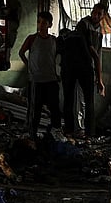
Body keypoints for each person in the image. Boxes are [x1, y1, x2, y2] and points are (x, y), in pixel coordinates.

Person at [19, 11, 61, 139]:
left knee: (54, 107)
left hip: (51, 79)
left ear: (50, 25)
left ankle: (56, 132)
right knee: (34, 109)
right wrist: (29, 67)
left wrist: (57, 73)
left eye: (44, 23)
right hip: (36, 80)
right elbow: (21, 53)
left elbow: (57, 58)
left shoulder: (54, 40)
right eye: (39, 22)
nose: (41, 25)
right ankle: (32, 133)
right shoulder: (32, 38)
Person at [58, 21, 102, 138]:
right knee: (89, 102)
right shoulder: (83, 36)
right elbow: (96, 57)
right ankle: (89, 133)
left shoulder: (62, 38)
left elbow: (53, 55)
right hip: (85, 69)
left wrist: (53, 73)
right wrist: (100, 80)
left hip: (69, 69)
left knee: (68, 100)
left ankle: (69, 131)